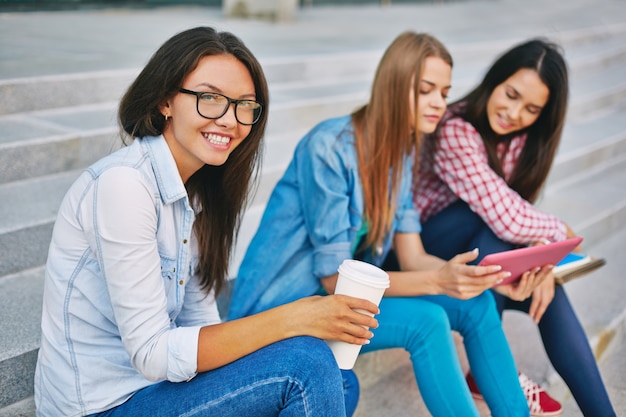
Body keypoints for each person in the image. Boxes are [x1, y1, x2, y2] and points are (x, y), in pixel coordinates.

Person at [33, 26, 378, 417]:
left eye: (245, 105)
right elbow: (152, 353)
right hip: (104, 405)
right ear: (165, 101)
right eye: (210, 98)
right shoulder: (124, 186)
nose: (230, 120)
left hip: (158, 391)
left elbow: (199, 321)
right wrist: (295, 318)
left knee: (338, 378)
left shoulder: (195, 194)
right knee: (308, 365)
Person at [229, 31, 534, 417]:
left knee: (477, 302)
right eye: (426, 90)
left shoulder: (400, 153)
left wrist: (475, 277)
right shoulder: (329, 147)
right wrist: (439, 282)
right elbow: (332, 280)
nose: (440, 104)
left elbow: (413, 256)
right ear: (393, 85)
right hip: (286, 309)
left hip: (343, 301)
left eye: (444, 92)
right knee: (426, 322)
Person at [414, 38, 616, 417]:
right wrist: (560, 234)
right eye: (510, 94)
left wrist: (545, 268)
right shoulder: (455, 129)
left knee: (545, 286)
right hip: (419, 251)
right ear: (495, 80)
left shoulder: (519, 140)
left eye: (532, 109)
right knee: (491, 223)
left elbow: (514, 218)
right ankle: (486, 366)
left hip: (480, 247)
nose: (514, 113)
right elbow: (506, 215)